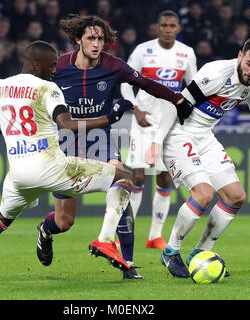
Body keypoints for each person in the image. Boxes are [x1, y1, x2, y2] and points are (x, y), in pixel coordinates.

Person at [0, 40, 135, 283]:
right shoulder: (47, 88)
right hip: (50, 166)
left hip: (19, 175)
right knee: (124, 178)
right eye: (52, 65)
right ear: (36, 65)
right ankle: (106, 240)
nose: (55, 70)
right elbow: (68, 125)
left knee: (1, 218)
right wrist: (110, 117)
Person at [36, 14, 186, 280]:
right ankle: (45, 232)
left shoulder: (113, 65)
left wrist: (176, 98)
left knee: (123, 182)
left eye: (101, 38)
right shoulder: (57, 67)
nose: (96, 44)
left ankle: (126, 262)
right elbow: (30, 91)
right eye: (91, 38)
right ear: (77, 40)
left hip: (101, 140)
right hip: (65, 143)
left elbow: (146, 84)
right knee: (64, 222)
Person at [145, 35, 250, 278]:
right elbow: (177, 103)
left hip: (205, 136)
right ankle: (171, 251)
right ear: (240, 56)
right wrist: (157, 142)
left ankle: (201, 253)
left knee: (235, 197)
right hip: (180, 133)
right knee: (203, 194)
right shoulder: (215, 73)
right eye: (248, 64)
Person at [120, 10, 197, 250]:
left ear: (178, 28)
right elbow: (124, 80)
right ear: (157, 27)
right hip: (143, 121)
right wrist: (134, 108)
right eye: (163, 25)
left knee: (164, 178)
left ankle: (155, 236)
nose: (166, 29)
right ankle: (125, 234)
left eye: (171, 25)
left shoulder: (186, 53)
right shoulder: (143, 50)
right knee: (138, 176)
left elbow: (193, 89)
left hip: (170, 124)